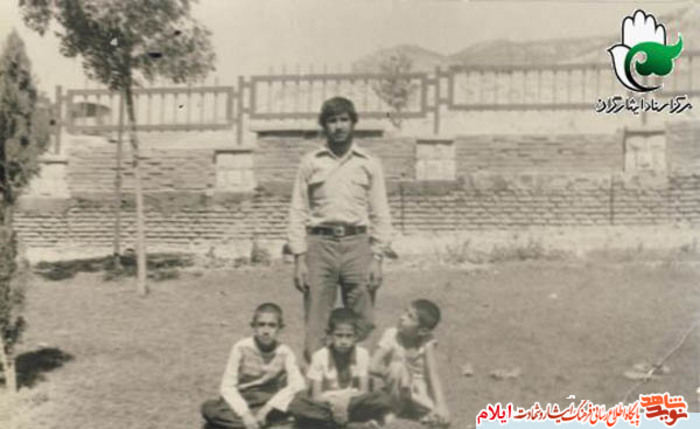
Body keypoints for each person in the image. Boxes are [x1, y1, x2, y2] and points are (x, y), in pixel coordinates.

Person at [287, 96, 393, 362]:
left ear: (353, 123)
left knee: (363, 317)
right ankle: (317, 375)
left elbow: (380, 212)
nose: (339, 126)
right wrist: (299, 258)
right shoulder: (311, 162)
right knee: (316, 319)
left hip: (357, 245)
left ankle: (355, 372)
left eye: (344, 119)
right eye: (332, 121)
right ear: (324, 126)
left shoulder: (368, 163)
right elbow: (298, 210)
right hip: (319, 245)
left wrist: (377, 257)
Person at [201, 303, 306, 429]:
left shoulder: (285, 352)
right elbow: (227, 386)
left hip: (269, 400)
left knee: (302, 404)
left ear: (280, 328)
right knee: (210, 407)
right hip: (244, 397)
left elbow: (298, 384)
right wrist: (245, 414)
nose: (266, 331)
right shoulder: (241, 348)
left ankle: (245, 424)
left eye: (272, 325)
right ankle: (263, 424)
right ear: (253, 326)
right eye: (261, 324)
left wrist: (267, 409)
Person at [288, 308, 392, 428]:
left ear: (356, 336)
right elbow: (316, 395)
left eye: (349, 336)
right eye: (339, 335)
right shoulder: (319, 356)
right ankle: (351, 423)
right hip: (326, 402)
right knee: (298, 404)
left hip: (352, 401)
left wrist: (345, 401)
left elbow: (364, 390)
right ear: (329, 335)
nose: (344, 341)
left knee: (382, 397)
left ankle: (330, 422)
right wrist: (335, 404)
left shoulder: (362, 354)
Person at [370, 299, 450, 427]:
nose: (402, 317)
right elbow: (372, 366)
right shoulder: (391, 335)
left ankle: (416, 411)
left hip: (419, 388)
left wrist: (441, 405)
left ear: (422, 331)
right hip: (396, 385)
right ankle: (392, 409)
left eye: (410, 317)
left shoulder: (427, 341)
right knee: (397, 367)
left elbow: (432, 373)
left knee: (440, 418)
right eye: (405, 312)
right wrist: (396, 375)